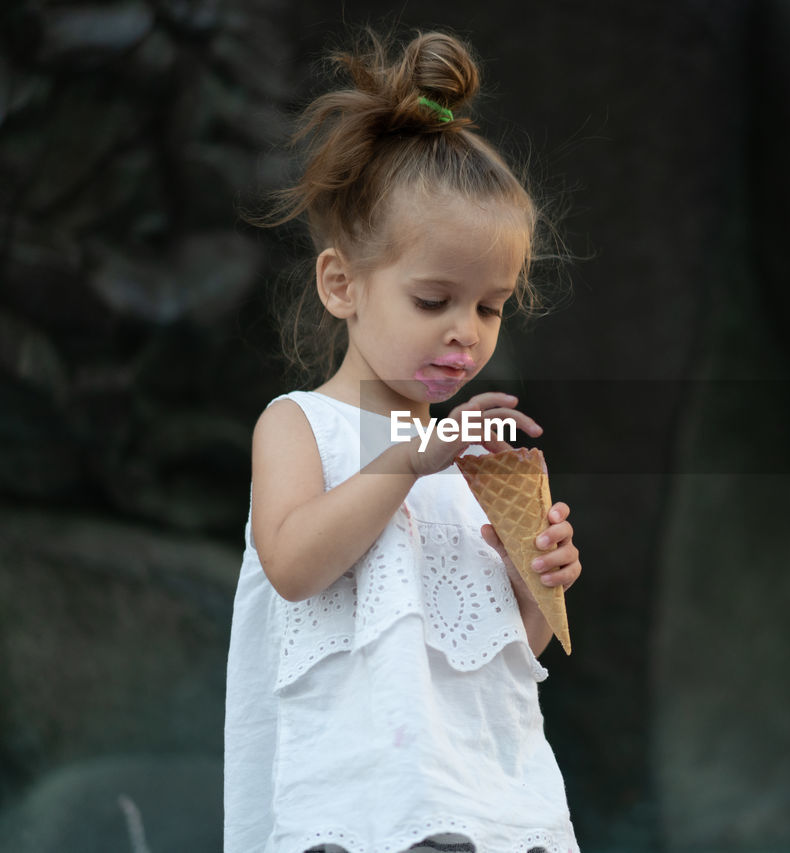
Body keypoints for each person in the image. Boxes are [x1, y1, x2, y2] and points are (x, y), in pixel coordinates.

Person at [223, 29, 582, 853]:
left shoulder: (474, 454)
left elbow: (497, 651)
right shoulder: (298, 424)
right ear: (342, 283)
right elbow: (294, 564)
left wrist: (537, 585)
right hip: (360, 806)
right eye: (434, 300)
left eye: (490, 307)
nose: (466, 333)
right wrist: (409, 460)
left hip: (486, 796)